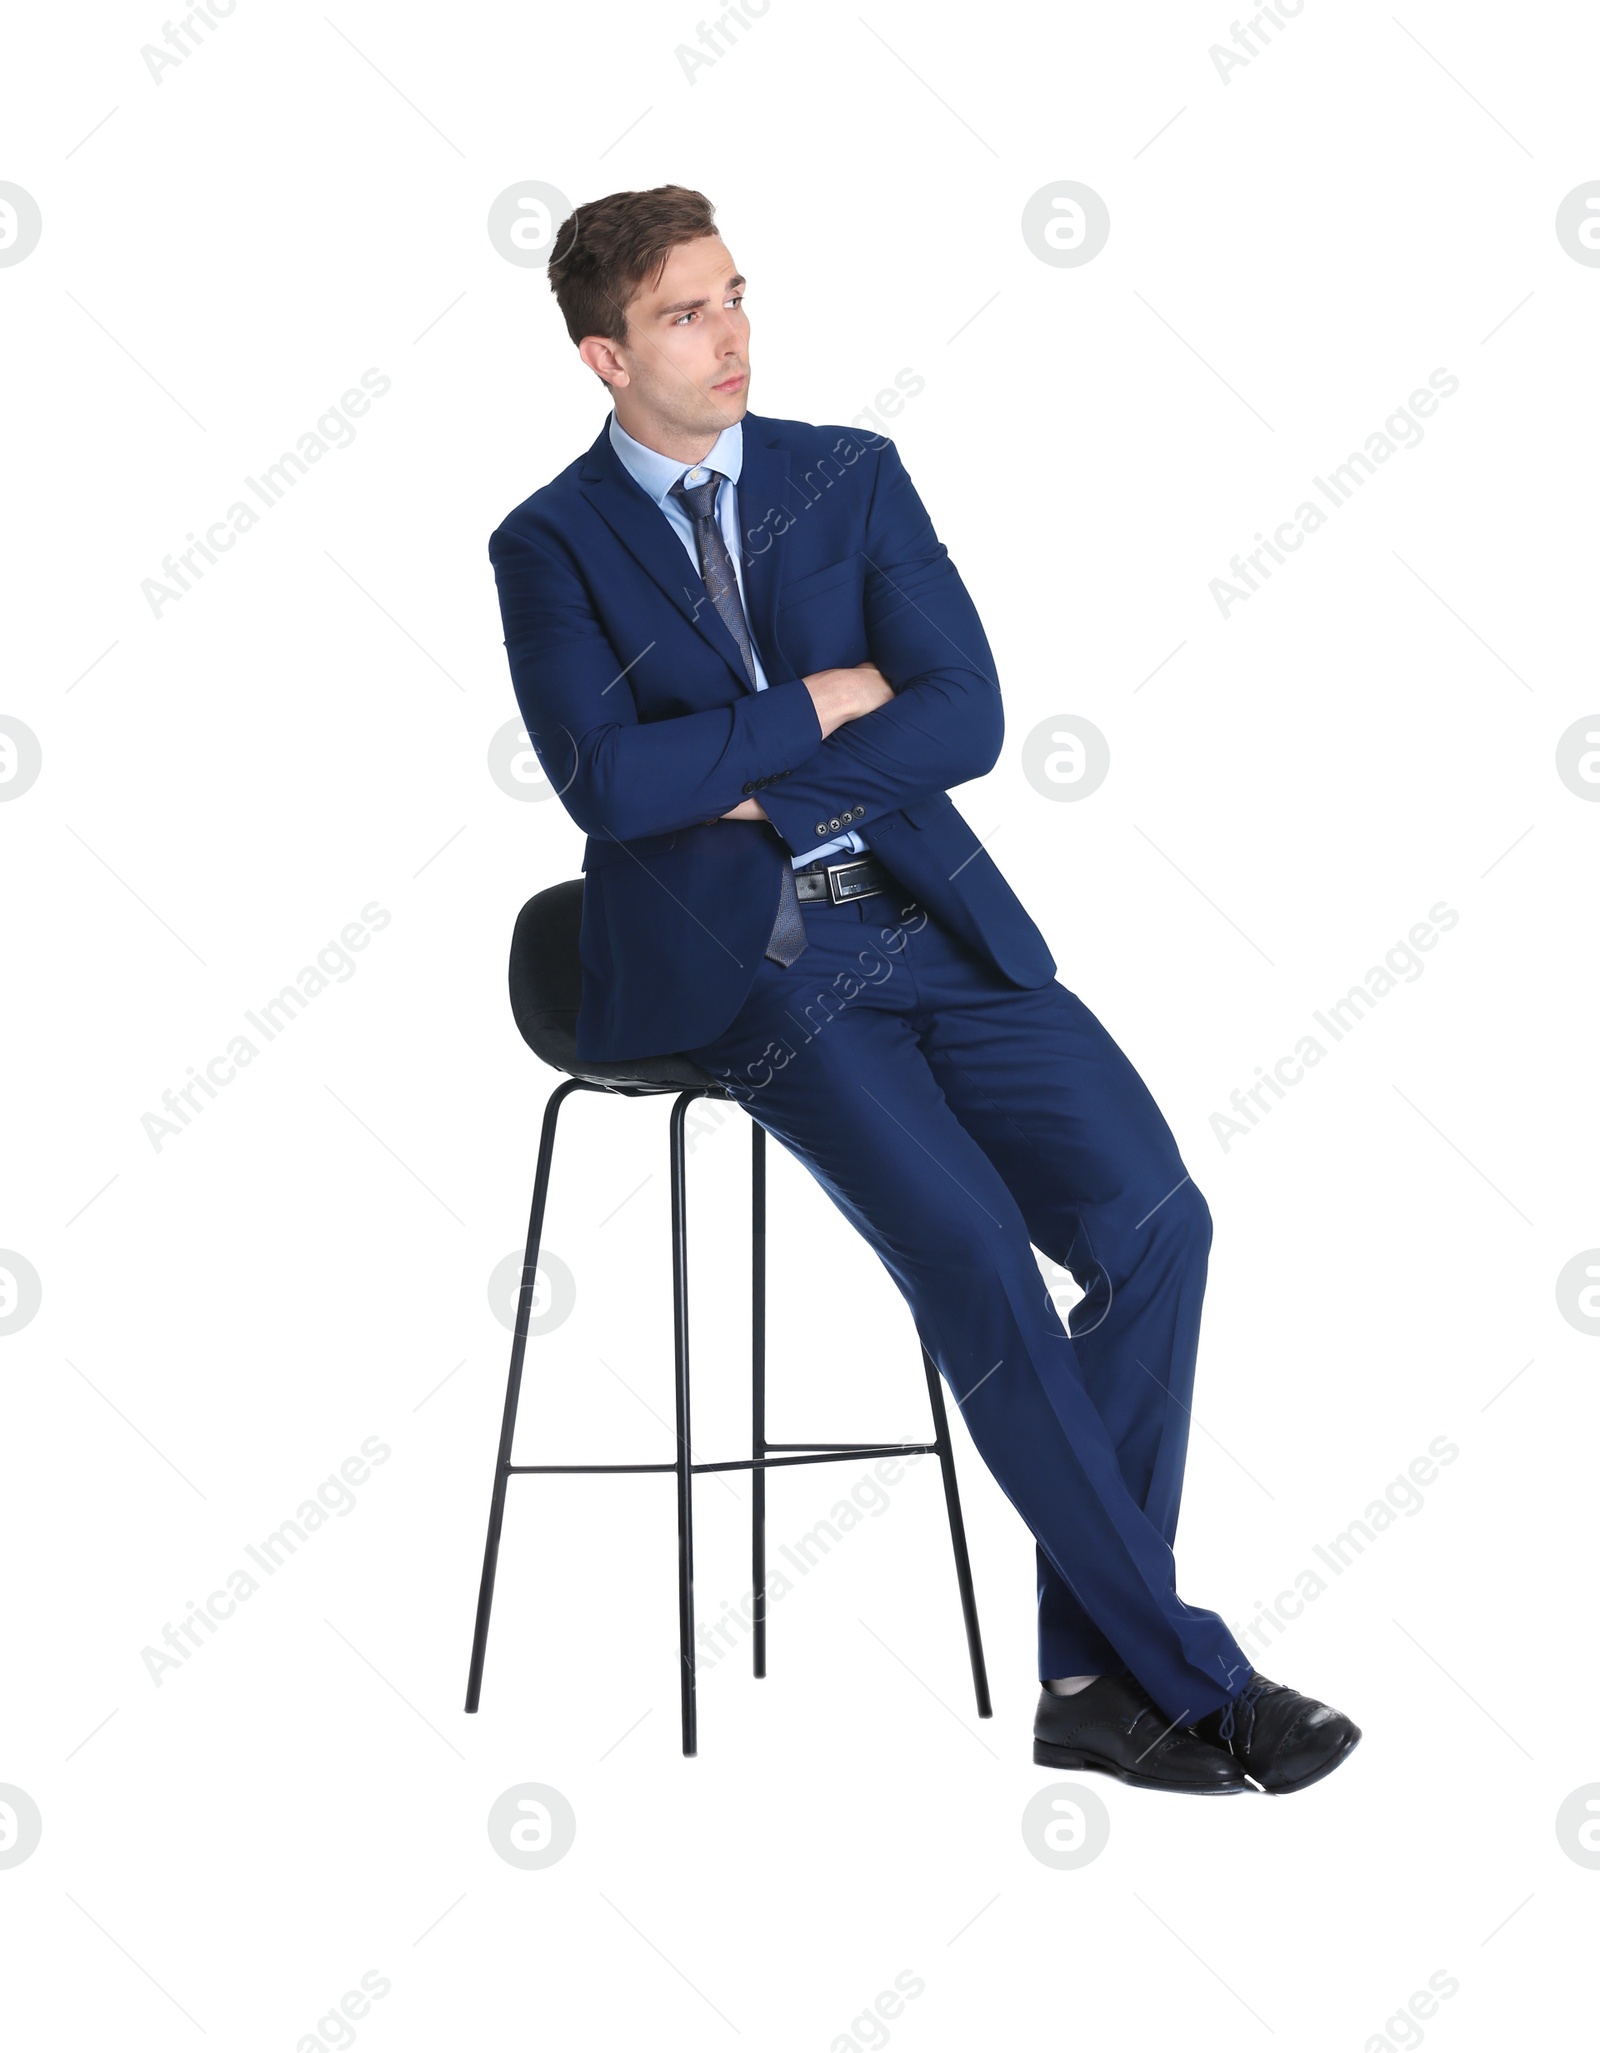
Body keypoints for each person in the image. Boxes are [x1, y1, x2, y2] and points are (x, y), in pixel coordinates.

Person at [488, 183, 1360, 1796]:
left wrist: (760, 778)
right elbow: (607, 784)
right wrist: (824, 697)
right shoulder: (547, 544)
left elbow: (965, 712)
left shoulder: (847, 471)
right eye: (687, 313)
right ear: (606, 356)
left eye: (738, 292)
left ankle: (1092, 1675)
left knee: (1158, 1222)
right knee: (977, 1260)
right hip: (751, 968)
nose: (733, 330)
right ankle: (1189, 1676)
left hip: (937, 927)